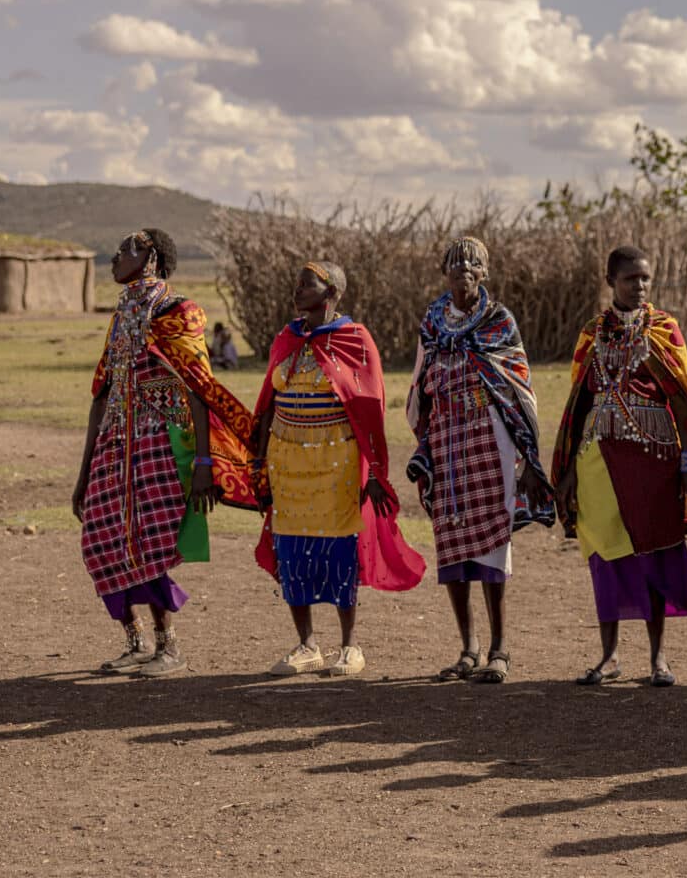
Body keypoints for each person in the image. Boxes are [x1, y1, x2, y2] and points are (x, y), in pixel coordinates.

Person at [70, 229, 258, 677]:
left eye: (127, 248)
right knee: (100, 544)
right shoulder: (121, 316)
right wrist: (82, 473)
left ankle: (167, 647)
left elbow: (200, 390)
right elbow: (102, 393)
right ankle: (133, 643)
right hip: (115, 446)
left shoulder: (180, 312)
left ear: (150, 256)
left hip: (160, 444)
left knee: (150, 547)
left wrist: (205, 464)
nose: (115, 256)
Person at [249, 261, 427, 675]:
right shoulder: (286, 339)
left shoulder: (355, 340)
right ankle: (306, 645)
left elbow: (370, 409)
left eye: (306, 284)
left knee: (338, 551)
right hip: (287, 462)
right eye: (297, 283)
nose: (297, 290)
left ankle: (349, 647)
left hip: (338, 464)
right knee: (291, 549)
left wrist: (376, 475)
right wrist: (258, 464)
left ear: (331, 293)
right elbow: (267, 402)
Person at [552, 247, 687, 688]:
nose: (639, 287)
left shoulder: (664, 330)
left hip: (654, 459)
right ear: (610, 281)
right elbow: (578, 405)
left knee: (654, 553)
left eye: (645, 279)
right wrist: (567, 471)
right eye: (630, 279)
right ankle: (609, 656)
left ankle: (658, 659)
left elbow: (683, 402)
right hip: (597, 458)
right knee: (605, 559)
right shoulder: (591, 334)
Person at [406, 236, 553, 685]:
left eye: (472, 268)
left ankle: (499, 649)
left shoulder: (498, 321)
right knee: (451, 544)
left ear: (484, 274)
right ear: (445, 274)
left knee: (492, 544)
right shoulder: (433, 321)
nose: (464, 274)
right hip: (447, 440)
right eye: (455, 268)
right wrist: (424, 440)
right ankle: (467, 649)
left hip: (491, 439)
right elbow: (419, 381)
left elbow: (519, 388)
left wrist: (527, 456)